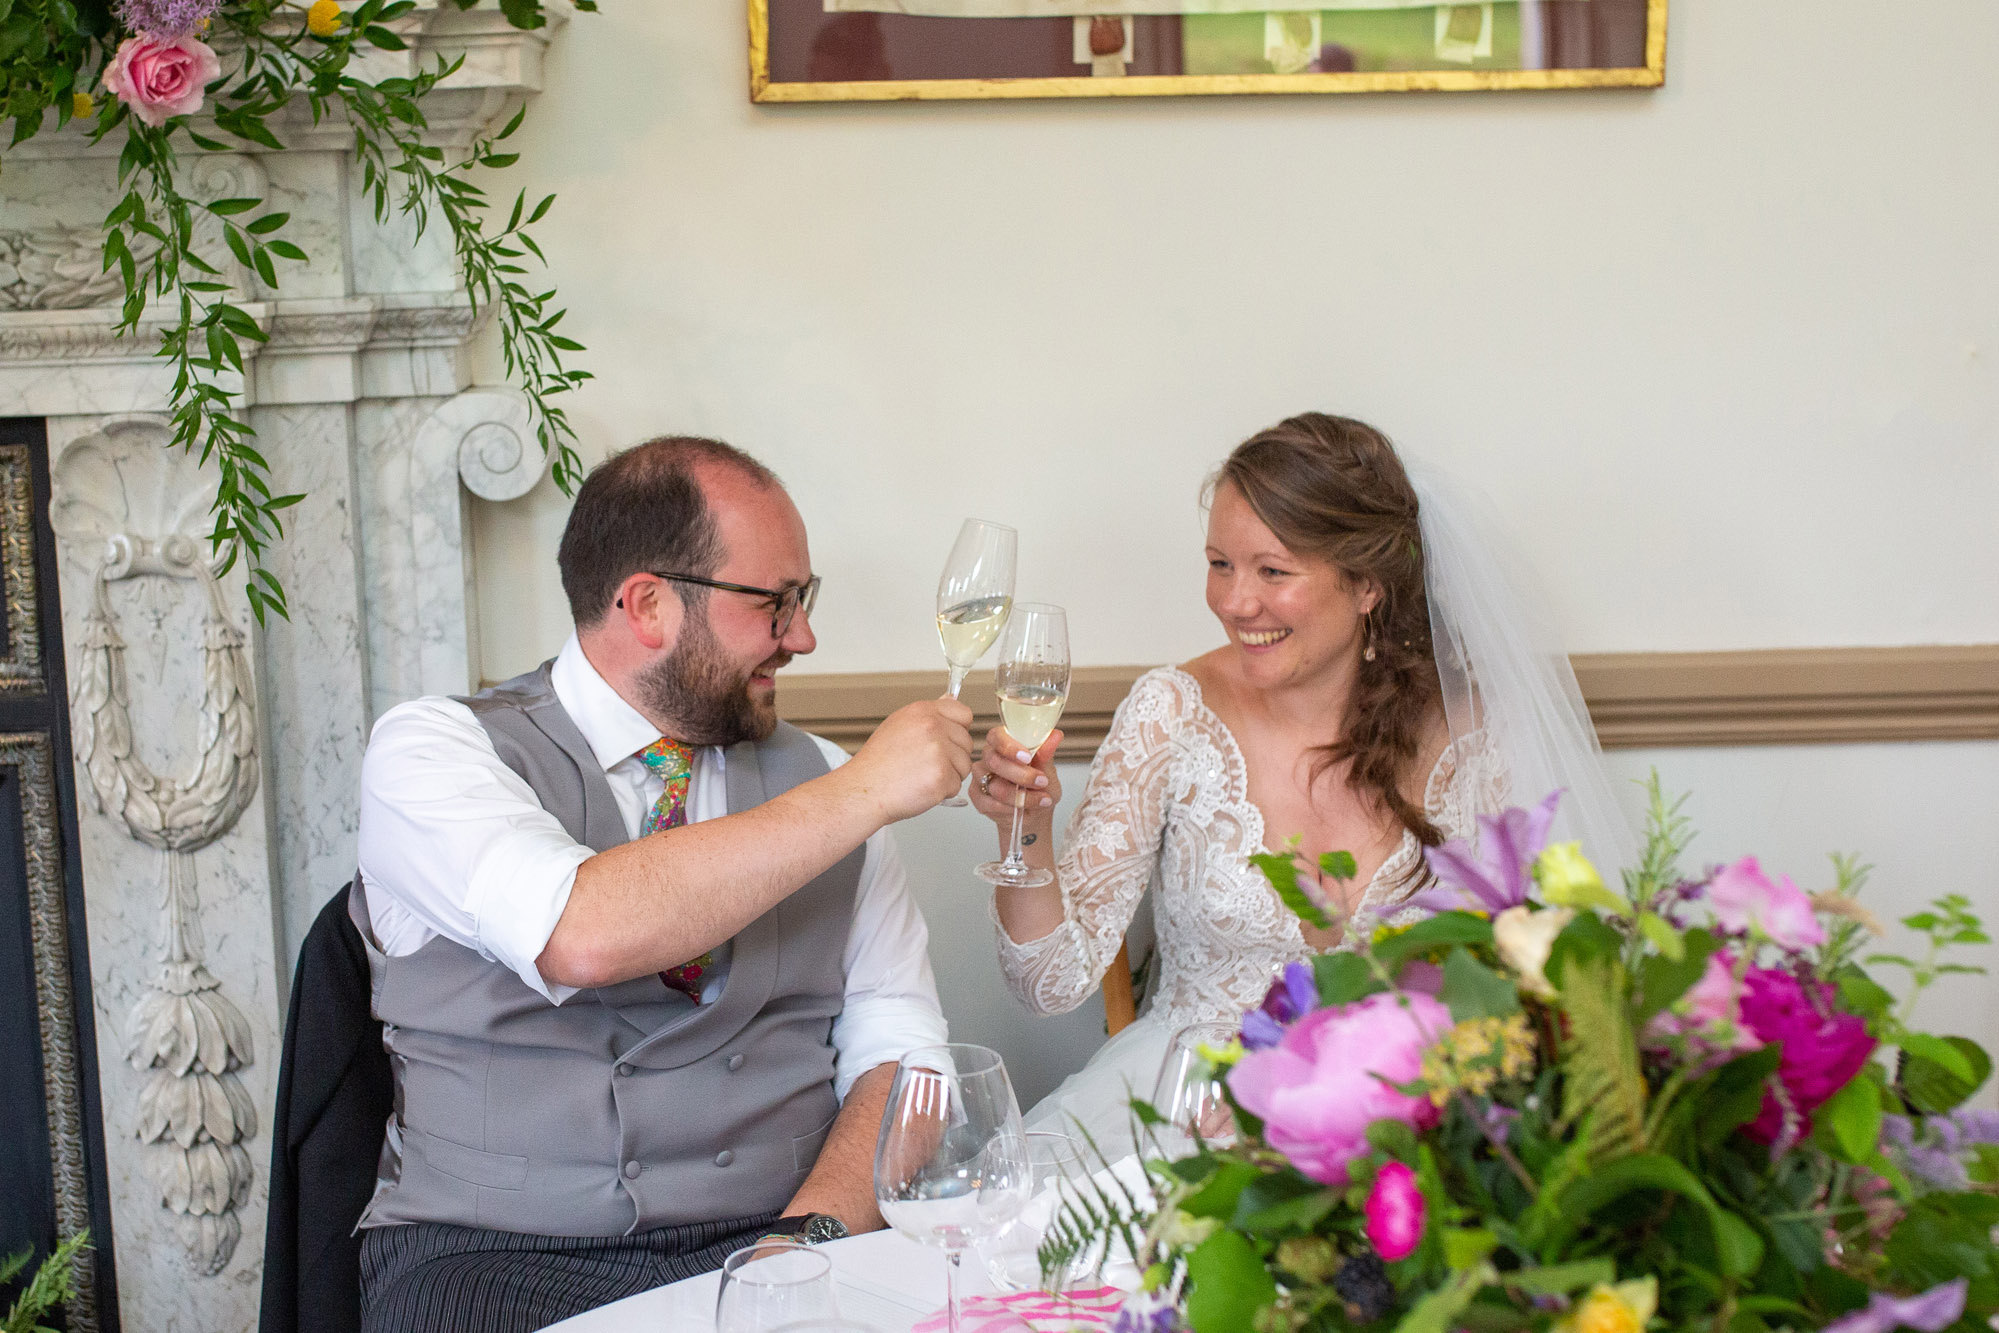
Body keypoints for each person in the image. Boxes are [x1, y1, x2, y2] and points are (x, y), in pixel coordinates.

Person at [349, 436, 973, 1332]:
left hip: (785, 1234)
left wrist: (810, 1238)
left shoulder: (824, 776)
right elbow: (581, 928)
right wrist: (865, 792)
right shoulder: (431, 750)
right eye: (776, 602)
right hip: (494, 1257)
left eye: (805, 600)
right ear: (646, 604)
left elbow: (902, 1054)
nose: (802, 636)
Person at [969, 411, 1631, 1154]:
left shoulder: (1477, 734)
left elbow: (1547, 970)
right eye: (1219, 563)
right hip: (1185, 1109)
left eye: (1271, 570)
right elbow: (1048, 983)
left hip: (1406, 1118)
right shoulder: (1170, 712)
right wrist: (1020, 823)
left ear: (1367, 587)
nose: (1233, 601)